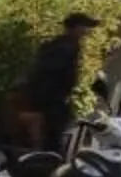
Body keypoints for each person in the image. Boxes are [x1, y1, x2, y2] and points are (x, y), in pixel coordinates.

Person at [18, 11, 96, 154]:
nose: (87, 31)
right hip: (50, 104)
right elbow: (49, 75)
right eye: (85, 27)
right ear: (75, 27)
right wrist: (46, 103)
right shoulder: (65, 47)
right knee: (50, 143)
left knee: (45, 141)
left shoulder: (60, 45)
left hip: (48, 102)